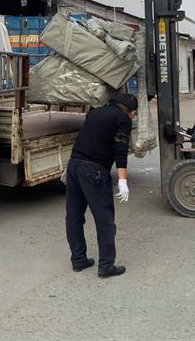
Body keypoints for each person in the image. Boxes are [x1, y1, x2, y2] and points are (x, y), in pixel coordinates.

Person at [65, 93, 137, 278]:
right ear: (131, 112)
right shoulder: (123, 119)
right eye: (134, 114)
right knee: (104, 219)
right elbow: (121, 150)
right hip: (93, 170)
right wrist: (122, 181)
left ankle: (78, 259)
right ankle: (106, 266)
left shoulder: (96, 112)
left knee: (74, 215)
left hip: (74, 166)